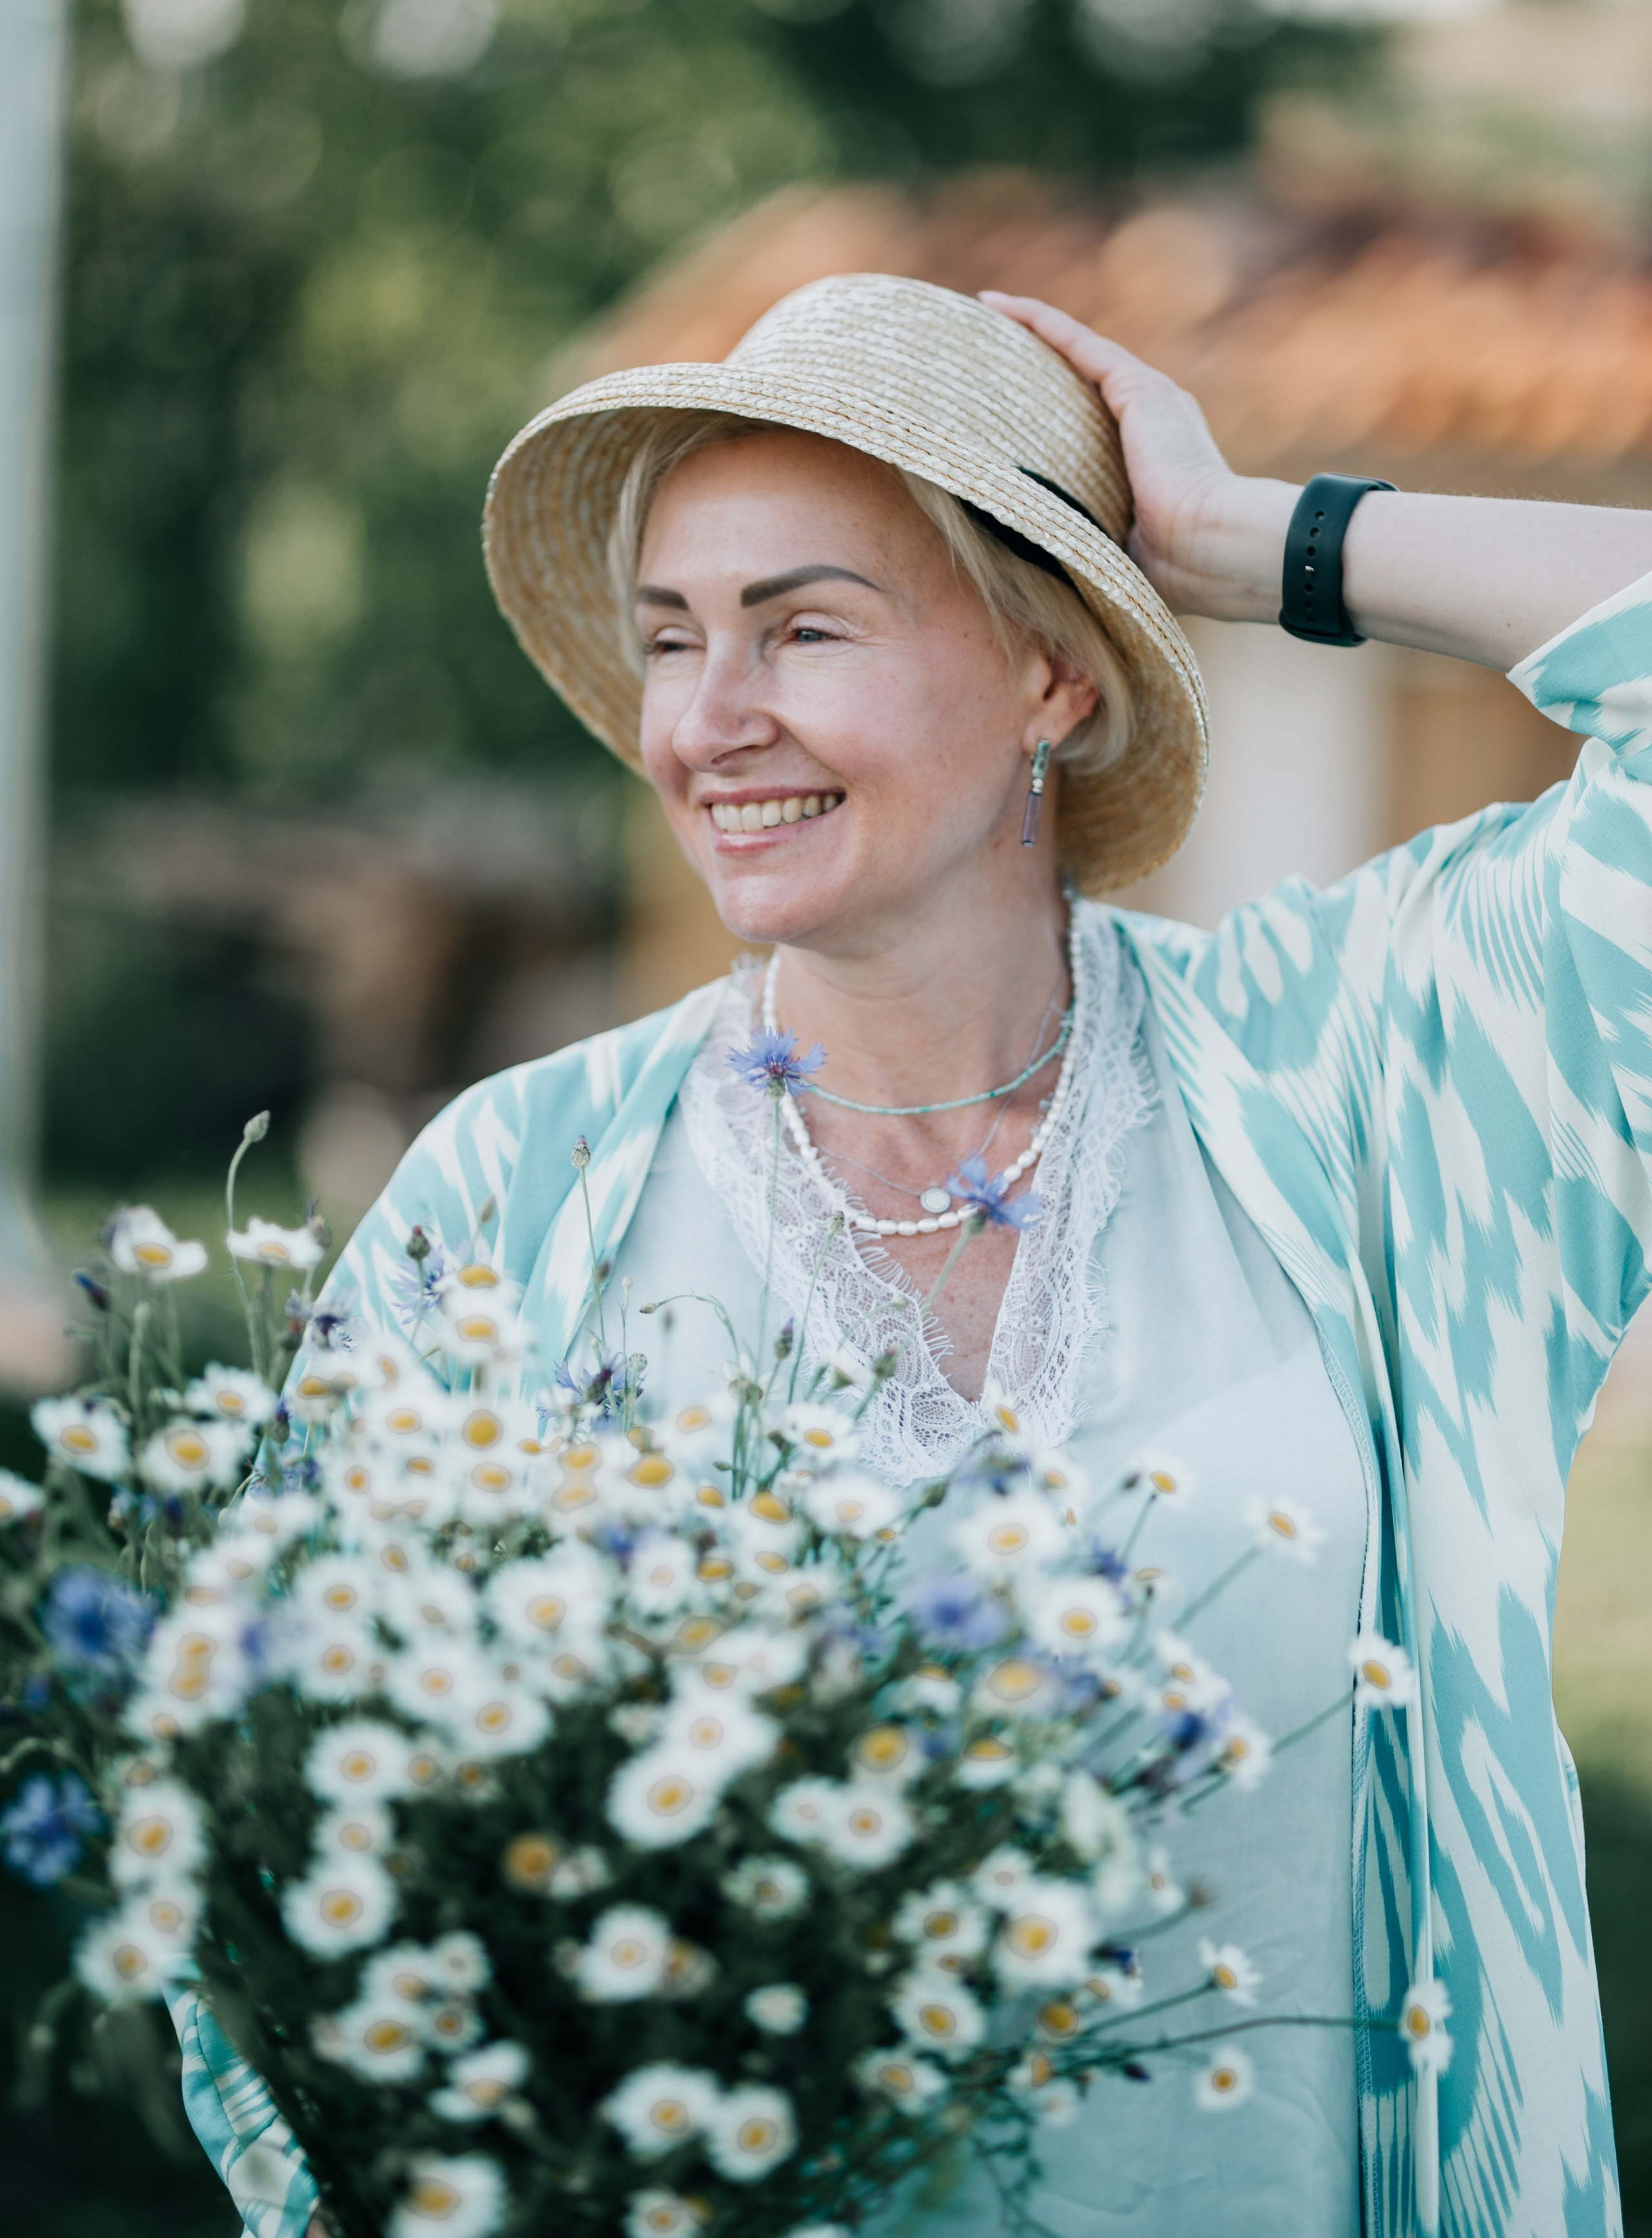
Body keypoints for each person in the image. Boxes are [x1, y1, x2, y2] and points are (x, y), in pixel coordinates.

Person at [179, 274, 1652, 2238]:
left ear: (1053, 677)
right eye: (673, 637)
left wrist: (1255, 541)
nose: (708, 721)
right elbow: (265, 1870)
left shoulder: (1353, 1076)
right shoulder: (519, 1192)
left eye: (805, 626)